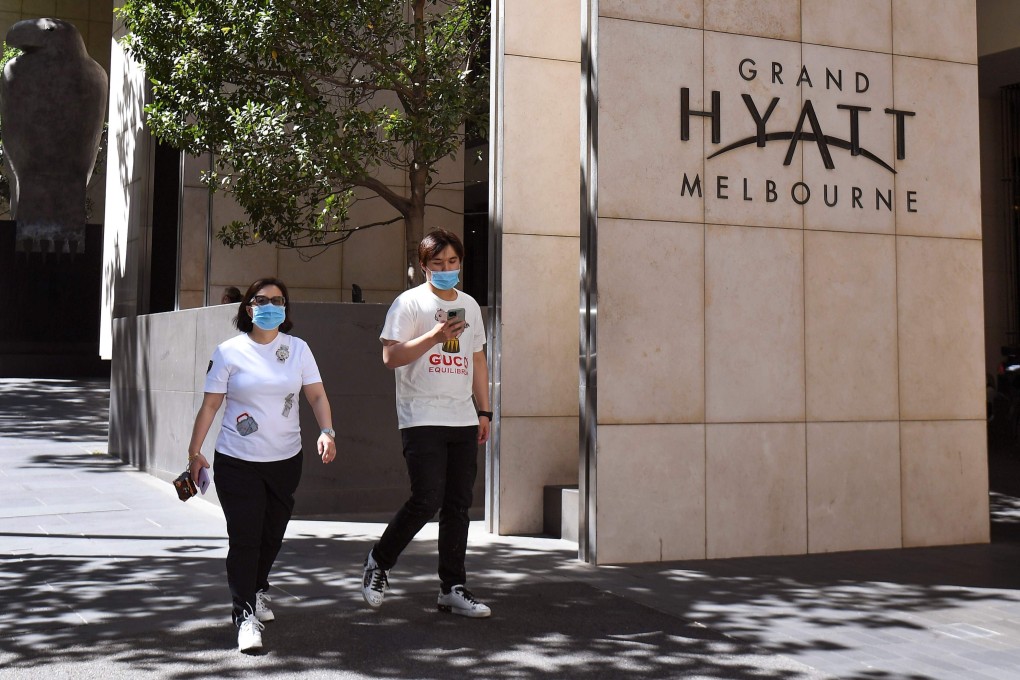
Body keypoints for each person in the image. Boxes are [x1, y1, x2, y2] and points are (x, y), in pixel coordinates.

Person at [187, 277, 337, 653]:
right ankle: (244, 616)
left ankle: (256, 589)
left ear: (285, 309)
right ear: (248, 308)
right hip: (238, 461)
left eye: (278, 300)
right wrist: (194, 451)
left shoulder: (298, 349)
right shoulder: (228, 352)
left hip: (286, 459)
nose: (270, 305)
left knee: (272, 535)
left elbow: (316, 394)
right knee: (246, 538)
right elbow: (210, 405)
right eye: (262, 299)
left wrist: (327, 431)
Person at [362, 228, 492, 618]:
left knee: (458, 504)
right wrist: (434, 336)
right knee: (426, 498)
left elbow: (479, 360)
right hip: (421, 416)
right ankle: (378, 561)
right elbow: (391, 357)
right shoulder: (409, 304)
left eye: (453, 262)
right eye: (438, 264)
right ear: (424, 267)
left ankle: (452, 587)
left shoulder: (469, 305)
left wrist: (484, 411)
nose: (447, 269)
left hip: (462, 418)